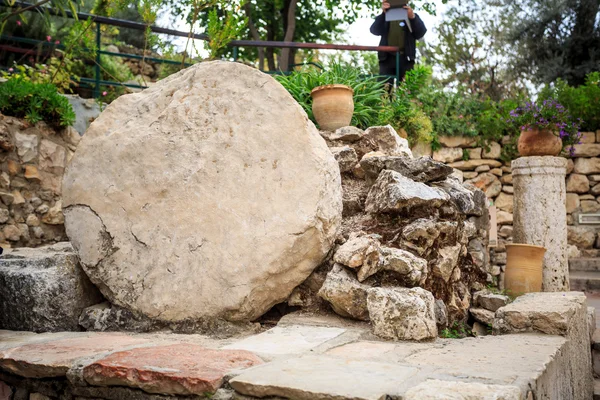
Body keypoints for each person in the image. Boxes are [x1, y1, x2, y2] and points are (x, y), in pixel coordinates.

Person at [370, 2, 427, 85]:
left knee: (406, 90)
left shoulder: (411, 15)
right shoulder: (385, 16)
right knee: (384, 90)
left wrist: (412, 17)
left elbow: (420, 33)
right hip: (386, 59)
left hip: (406, 59)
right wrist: (383, 14)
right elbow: (374, 30)